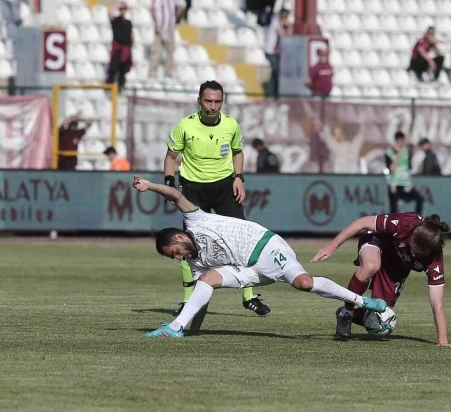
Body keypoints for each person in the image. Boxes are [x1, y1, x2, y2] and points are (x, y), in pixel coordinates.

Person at [132, 176, 388, 338]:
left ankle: (363, 302)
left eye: (175, 253)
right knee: (206, 279)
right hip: (247, 269)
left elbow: (177, 196)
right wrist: (193, 330)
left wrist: (150, 186)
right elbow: (203, 298)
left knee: (304, 283)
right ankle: (175, 328)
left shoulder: (195, 220)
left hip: (266, 248)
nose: (179, 258)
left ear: (179, 237)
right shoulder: (194, 262)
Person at [163, 80, 271, 324]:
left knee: (242, 240)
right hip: (193, 189)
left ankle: (249, 296)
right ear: (199, 101)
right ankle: (187, 300)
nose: (212, 106)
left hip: (224, 188)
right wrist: (170, 184)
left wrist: (239, 177)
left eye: (217, 101)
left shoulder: (231, 124)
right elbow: (171, 157)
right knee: (189, 246)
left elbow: (238, 152)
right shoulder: (185, 125)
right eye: (208, 101)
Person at [311, 212, 451, 347]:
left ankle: (350, 313)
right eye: (412, 246)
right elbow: (361, 222)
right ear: (412, 234)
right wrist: (331, 247)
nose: (412, 252)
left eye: (418, 252)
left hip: (396, 266)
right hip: (377, 241)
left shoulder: (435, 261)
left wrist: (443, 341)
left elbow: (437, 303)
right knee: (371, 266)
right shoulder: (405, 223)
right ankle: (347, 313)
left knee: (381, 312)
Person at [386, 131, 424, 215]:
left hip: (405, 183)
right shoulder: (389, 152)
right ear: (396, 141)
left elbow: (408, 168)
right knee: (394, 209)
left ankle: (417, 219)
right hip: (395, 184)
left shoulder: (406, 151)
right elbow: (391, 168)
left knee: (419, 199)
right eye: (400, 141)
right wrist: (398, 154)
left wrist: (410, 181)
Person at [149, 0, 183, 78]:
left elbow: (180, 6)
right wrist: (156, 22)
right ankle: (152, 70)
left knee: (171, 50)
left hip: (170, 27)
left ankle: (168, 71)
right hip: (160, 27)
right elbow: (153, 8)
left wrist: (175, 18)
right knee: (156, 50)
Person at [105, 2, 133, 91]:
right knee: (113, 69)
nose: (123, 11)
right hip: (117, 48)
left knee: (123, 70)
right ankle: (109, 87)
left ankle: (121, 88)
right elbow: (109, 13)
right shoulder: (116, 20)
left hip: (126, 48)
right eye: (121, 9)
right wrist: (117, 5)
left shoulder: (128, 22)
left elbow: (131, 35)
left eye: (124, 9)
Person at [263, 8, 290, 98]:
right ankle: (272, 93)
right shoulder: (275, 21)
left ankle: (273, 92)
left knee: (275, 73)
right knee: (276, 72)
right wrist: (287, 26)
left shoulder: (279, 22)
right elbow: (282, 33)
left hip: (277, 52)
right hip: (271, 51)